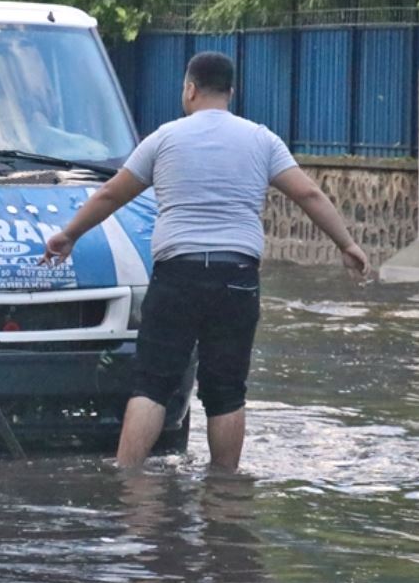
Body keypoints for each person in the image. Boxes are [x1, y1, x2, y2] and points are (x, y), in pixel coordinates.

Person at [41, 51, 370, 472]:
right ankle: (224, 494)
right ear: (231, 92)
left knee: (152, 386)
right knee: (227, 391)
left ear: (190, 89)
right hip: (237, 277)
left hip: (178, 274)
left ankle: (129, 487)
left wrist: (69, 235)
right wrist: (347, 244)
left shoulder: (164, 138)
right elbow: (308, 194)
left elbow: (110, 195)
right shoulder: (262, 140)